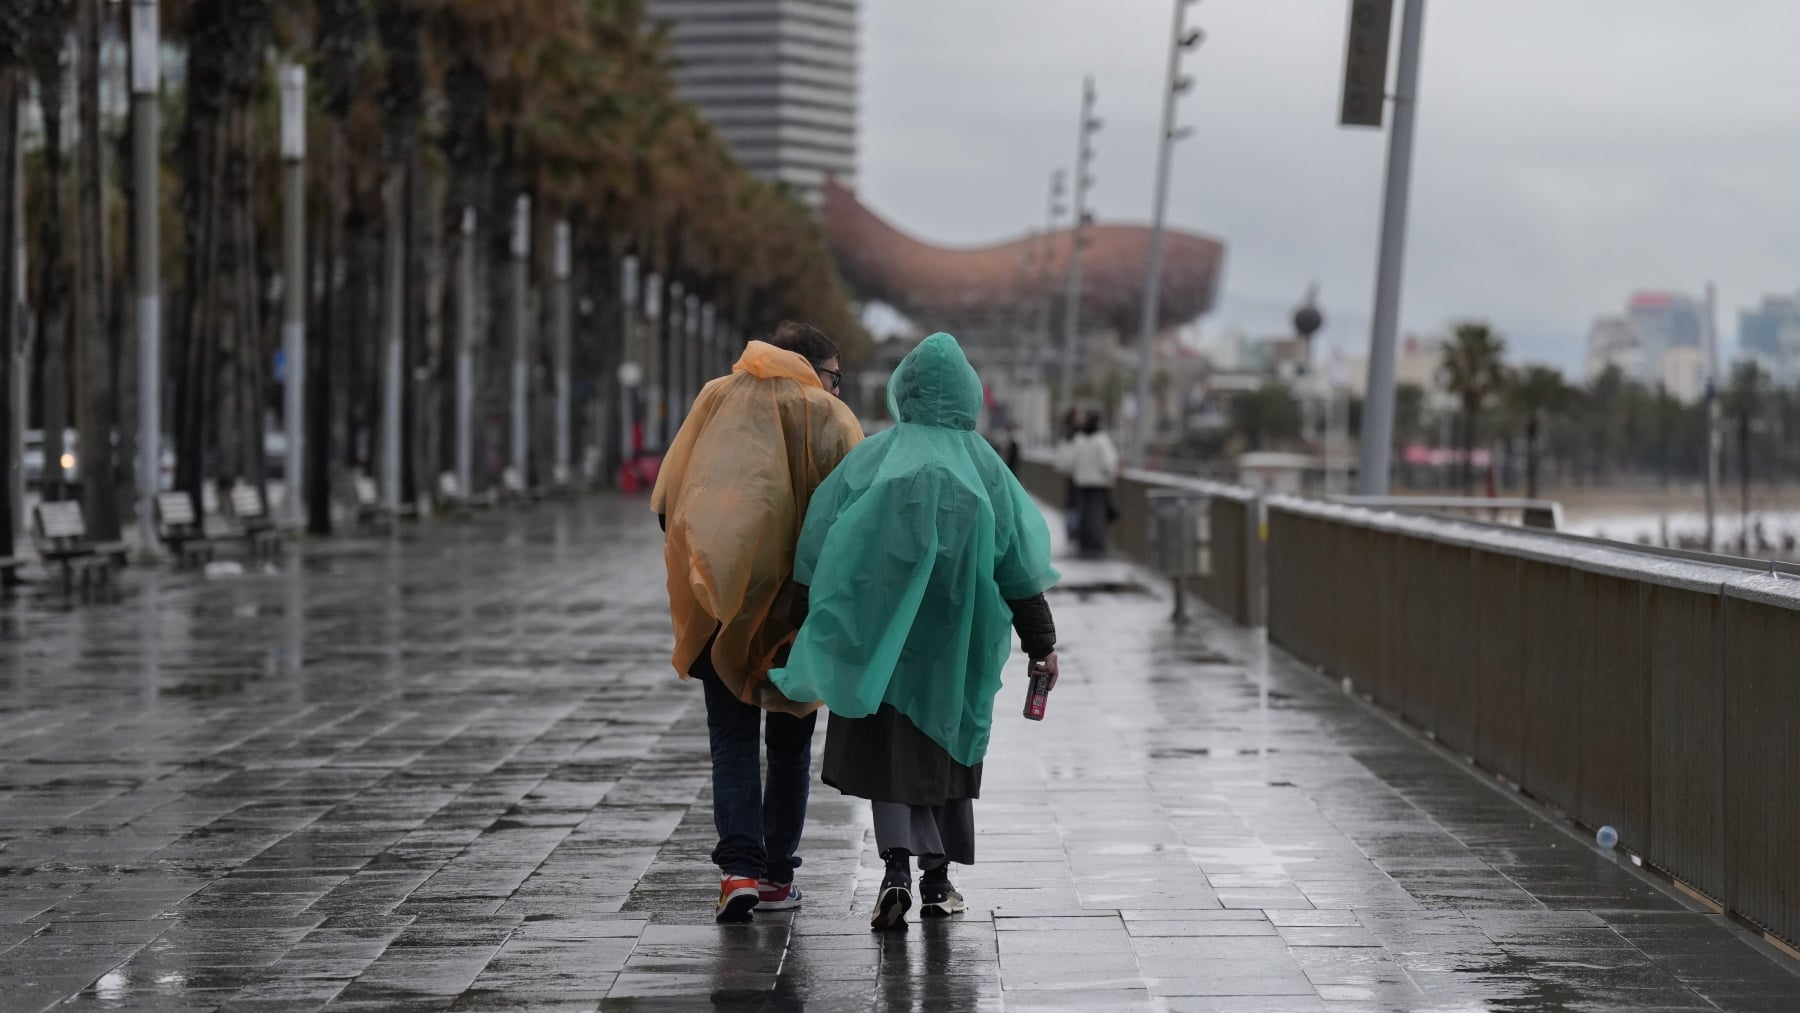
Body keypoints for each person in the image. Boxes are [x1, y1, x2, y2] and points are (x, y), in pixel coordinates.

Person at [762, 333, 1061, 930]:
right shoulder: (988, 470)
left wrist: (796, 621)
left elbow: (818, 543)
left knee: (889, 749)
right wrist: (1042, 644)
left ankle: (895, 867)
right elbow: (1020, 567)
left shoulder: (874, 459)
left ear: (908, 390)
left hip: (880, 643)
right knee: (944, 751)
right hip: (957, 647)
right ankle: (937, 878)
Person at [650, 321, 862, 922]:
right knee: (790, 745)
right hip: (797, 609)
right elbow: (854, 513)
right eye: (835, 377)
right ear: (814, 368)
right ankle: (776, 877)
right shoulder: (829, 417)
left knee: (732, 741)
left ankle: (737, 870)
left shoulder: (715, 397)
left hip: (719, 604)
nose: (837, 390)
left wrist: (706, 575)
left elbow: (669, 499)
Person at [1067, 411, 1119, 557]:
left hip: (1082, 482)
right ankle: (1096, 544)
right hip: (1099, 483)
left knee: (1083, 513)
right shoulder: (1102, 439)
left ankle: (1083, 541)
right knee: (1096, 515)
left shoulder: (1079, 439)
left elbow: (1071, 462)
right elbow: (1109, 462)